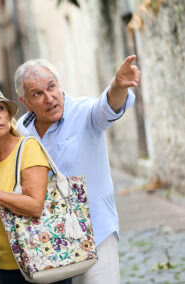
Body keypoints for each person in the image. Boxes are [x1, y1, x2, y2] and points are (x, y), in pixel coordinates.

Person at [14, 55, 141, 284]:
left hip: (95, 234)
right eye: (37, 94)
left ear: (59, 85)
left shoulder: (84, 113)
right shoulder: (21, 131)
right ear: (25, 102)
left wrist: (118, 86)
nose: (49, 98)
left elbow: (108, 107)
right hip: (49, 241)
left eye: (51, 87)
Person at [0, 85, 71, 284]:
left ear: (8, 115)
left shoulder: (27, 147)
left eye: (0, 109)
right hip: (6, 266)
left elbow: (35, 206)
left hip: (45, 256)